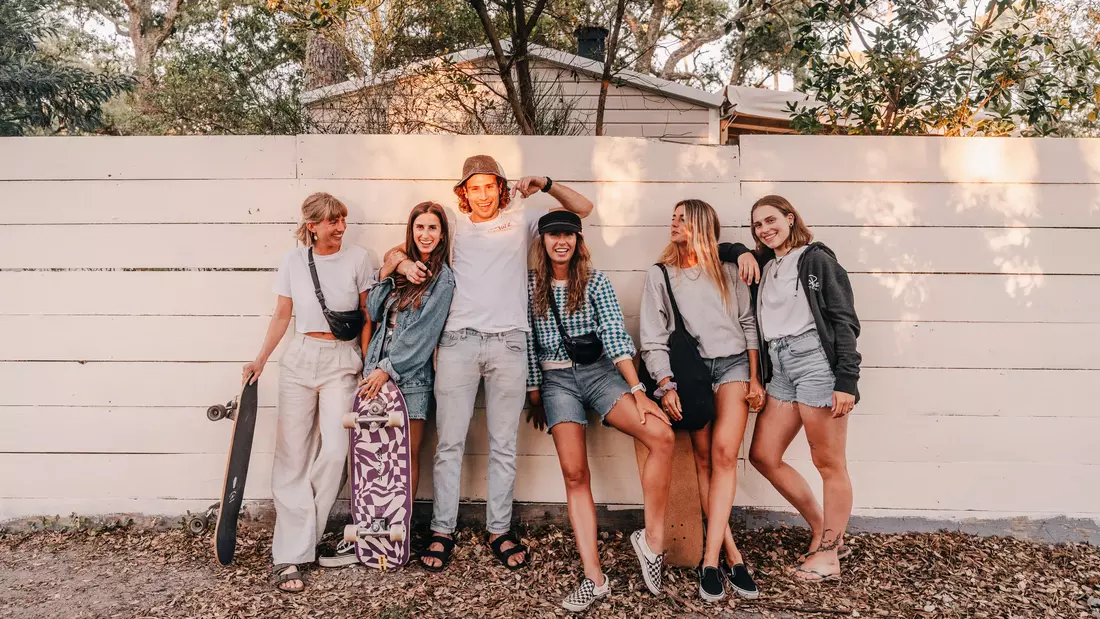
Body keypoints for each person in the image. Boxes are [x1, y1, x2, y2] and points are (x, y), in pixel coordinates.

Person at [384, 155, 594, 571]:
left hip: (510, 344)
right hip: (458, 342)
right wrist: (403, 262)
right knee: (449, 444)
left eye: (489, 186)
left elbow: (582, 208)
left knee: (503, 445)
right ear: (464, 192)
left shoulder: (522, 218)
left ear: (501, 187)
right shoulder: (454, 226)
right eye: (474, 187)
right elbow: (397, 250)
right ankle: (442, 530)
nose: (482, 195)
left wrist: (547, 181)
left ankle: (499, 529)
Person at [525, 211, 675, 610]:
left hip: (598, 375)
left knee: (661, 436)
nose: (562, 242)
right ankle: (594, 577)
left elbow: (614, 333)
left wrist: (638, 391)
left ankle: (652, 540)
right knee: (575, 473)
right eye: (554, 235)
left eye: (569, 235)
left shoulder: (594, 281)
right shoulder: (529, 287)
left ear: (578, 239)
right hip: (556, 381)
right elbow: (526, 340)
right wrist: (534, 392)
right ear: (542, 240)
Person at [719, 194, 861, 582]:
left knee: (829, 463)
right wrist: (741, 251)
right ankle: (825, 529)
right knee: (764, 454)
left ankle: (829, 555)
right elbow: (715, 249)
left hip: (814, 360)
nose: (765, 230)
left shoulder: (816, 260)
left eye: (771, 220)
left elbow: (844, 320)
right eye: (757, 226)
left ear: (790, 217)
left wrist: (846, 381)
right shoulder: (767, 260)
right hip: (780, 367)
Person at [243, 192, 375, 593]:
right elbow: (283, 313)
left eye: (343, 220)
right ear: (312, 225)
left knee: (336, 451)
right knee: (292, 456)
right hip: (299, 358)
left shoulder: (358, 259)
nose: (340, 228)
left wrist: (369, 365)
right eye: (332, 222)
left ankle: (305, 539)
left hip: (341, 361)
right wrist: (261, 358)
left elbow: (368, 317)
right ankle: (290, 554)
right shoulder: (293, 261)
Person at [318, 201, 455, 567]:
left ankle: (400, 535)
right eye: (420, 228)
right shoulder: (400, 269)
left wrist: (387, 370)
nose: (425, 235)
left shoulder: (443, 279)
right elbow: (375, 310)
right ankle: (368, 531)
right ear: (411, 231)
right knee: (372, 458)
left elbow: (425, 336)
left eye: (433, 228)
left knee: (403, 459)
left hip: (408, 378)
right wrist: (391, 267)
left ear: (442, 235)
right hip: (377, 370)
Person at [639, 199, 763, 602]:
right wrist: (665, 383)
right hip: (690, 375)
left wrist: (756, 377)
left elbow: (748, 323)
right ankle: (733, 554)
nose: (673, 224)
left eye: (682, 219)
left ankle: (711, 562)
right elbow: (653, 337)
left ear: (702, 226)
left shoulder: (730, 269)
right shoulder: (661, 275)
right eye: (671, 217)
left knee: (726, 456)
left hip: (732, 368)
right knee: (704, 460)